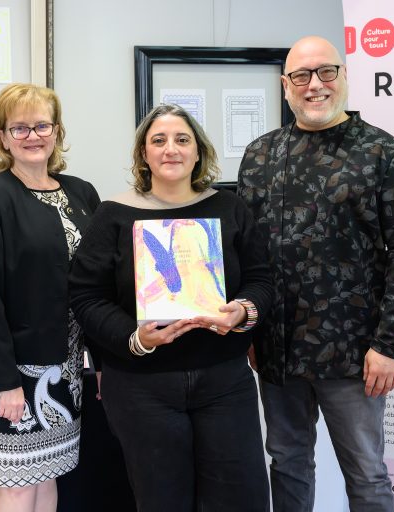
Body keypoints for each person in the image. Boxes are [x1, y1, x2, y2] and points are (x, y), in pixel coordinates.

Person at [237, 36, 394, 512]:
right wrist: (249, 330)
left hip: (356, 353)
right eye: (301, 76)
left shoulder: (381, 151)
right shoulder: (260, 155)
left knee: (365, 472)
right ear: (285, 86)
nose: (314, 85)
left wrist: (389, 344)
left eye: (326, 72)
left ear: (343, 77)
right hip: (277, 350)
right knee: (287, 462)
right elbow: (247, 251)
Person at [68, 104, 272, 512]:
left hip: (224, 383)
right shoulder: (112, 216)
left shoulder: (229, 209)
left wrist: (244, 310)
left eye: (182, 140)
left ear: (198, 152)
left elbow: (263, 278)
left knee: (240, 498)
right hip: (143, 388)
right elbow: (86, 295)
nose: (171, 149)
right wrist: (133, 338)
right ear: (144, 154)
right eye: (158, 141)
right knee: (162, 501)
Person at [0, 83, 100, 512]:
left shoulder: (81, 193)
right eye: (19, 128)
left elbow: (97, 283)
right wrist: (5, 382)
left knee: (47, 473)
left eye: (41, 125)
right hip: (13, 368)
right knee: (17, 483)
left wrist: (103, 359)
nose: (32, 135)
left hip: (65, 366)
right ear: (2, 137)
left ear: (56, 131)